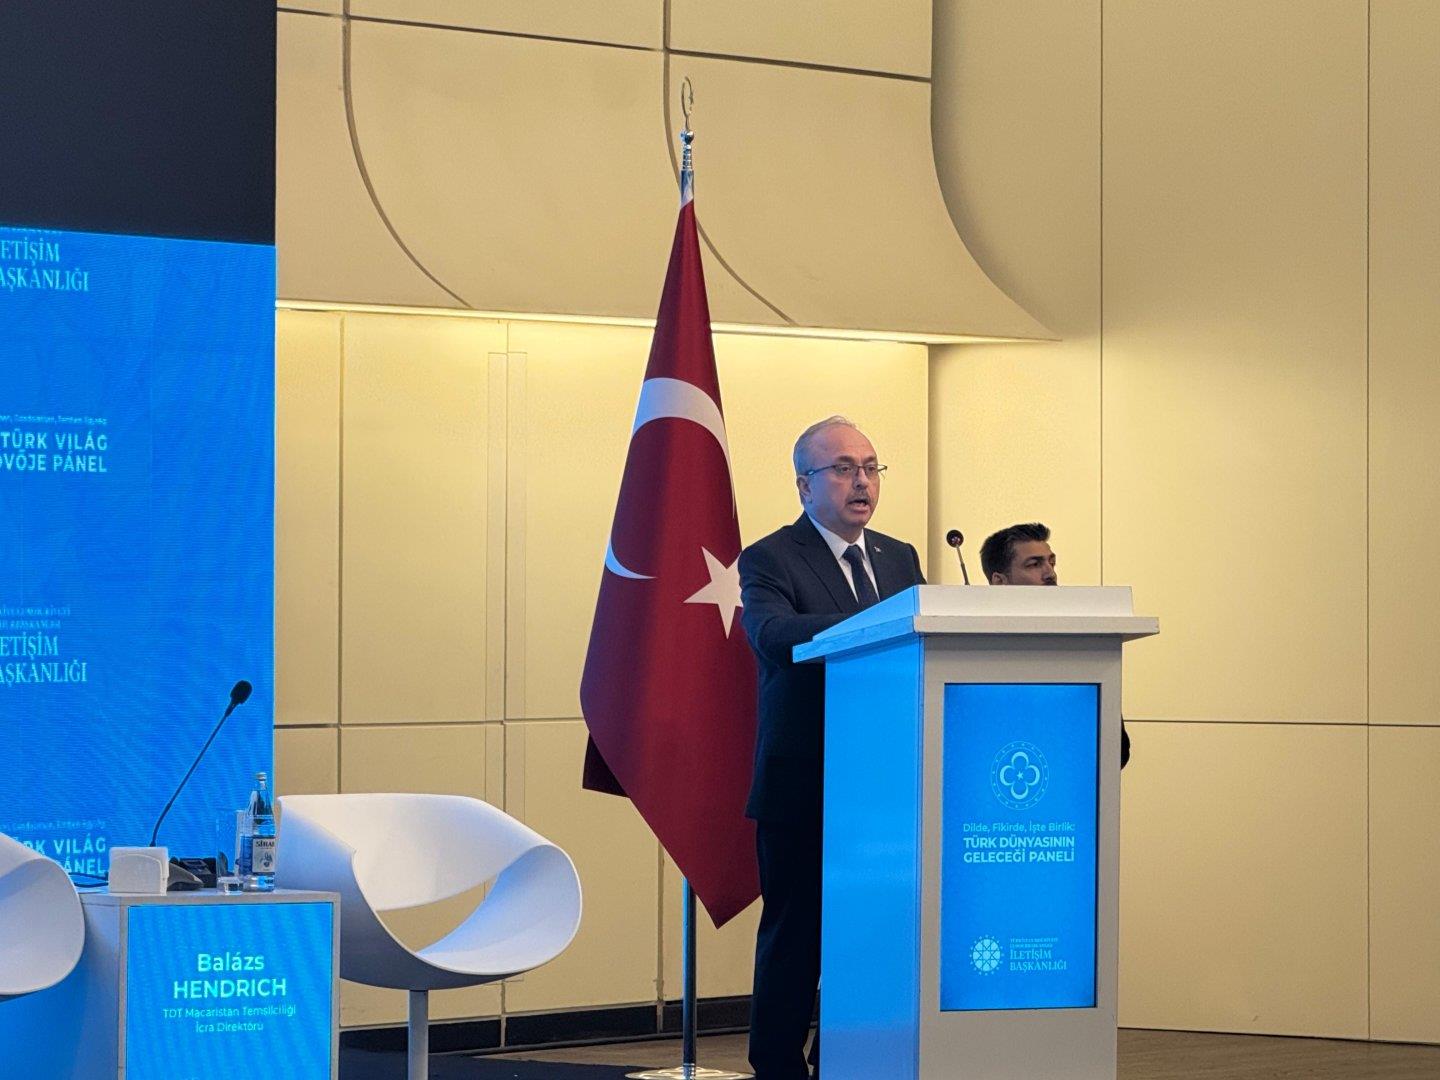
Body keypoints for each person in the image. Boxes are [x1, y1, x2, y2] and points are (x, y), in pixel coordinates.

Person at [738, 417, 925, 1080]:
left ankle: (848, 1058)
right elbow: (773, 636)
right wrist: (882, 623)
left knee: (874, 932)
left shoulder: (900, 557)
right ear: (804, 485)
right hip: (805, 783)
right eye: (843, 468)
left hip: (887, 784)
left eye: (871, 467)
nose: (862, 482)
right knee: (796, 937)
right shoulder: (770, 558)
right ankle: (778, 1067)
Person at [980, 522, 1131, 768]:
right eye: (1034, 564)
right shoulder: (975, 650)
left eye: (1051, 562)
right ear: (999, 581)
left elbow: (1118, 751)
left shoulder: (1079, 646)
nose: (1050, 573)